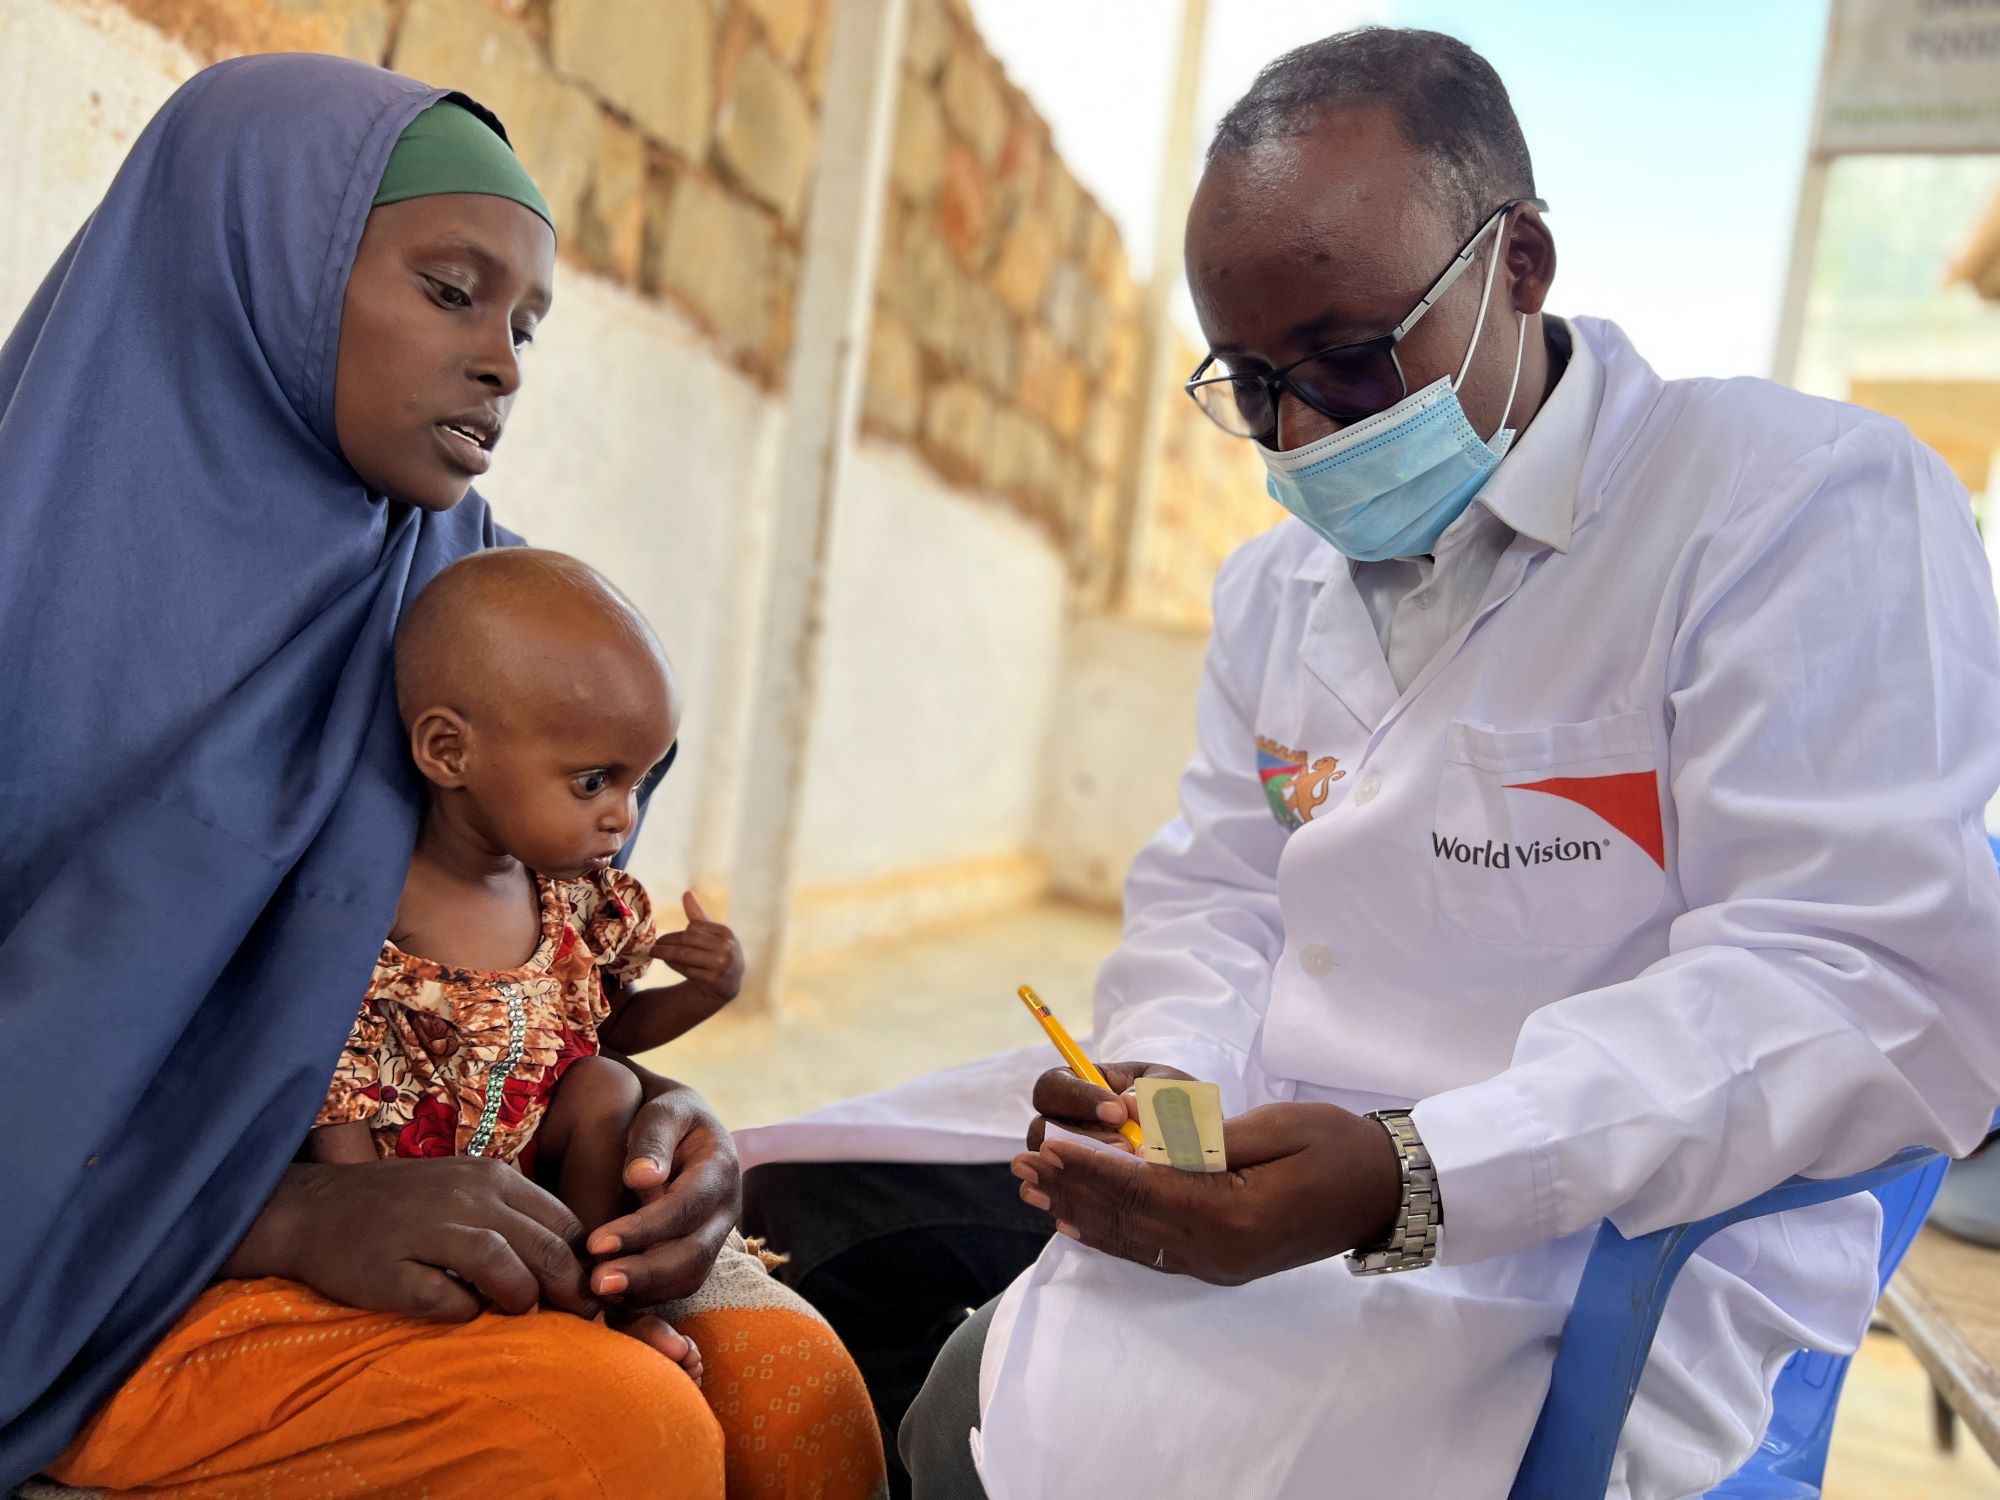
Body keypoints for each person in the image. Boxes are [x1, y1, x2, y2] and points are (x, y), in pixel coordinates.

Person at [746, 28, 2000, 1500]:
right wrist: (1168, 1082)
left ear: (1517, 263)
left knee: (978, 1417)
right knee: (805, 1245)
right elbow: (1220, 895)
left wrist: (1416, 1174)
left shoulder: (1787, 507)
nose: (1299, 432)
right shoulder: (1276, 588)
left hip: (1583, 1248)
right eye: (1250, 382)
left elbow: (1857, 984)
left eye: (1347, 359)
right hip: (1280, 1172)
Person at [0, 55, 880, 1498]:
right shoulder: (27, 592)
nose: (504, 363)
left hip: (426, 1209)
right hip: (91, 1274)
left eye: (525, 324)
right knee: (618, 1432)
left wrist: (656, 1129)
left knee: (796, 1399)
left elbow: (510, 980)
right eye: (452, 291)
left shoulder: (472, 608)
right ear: (257, 270)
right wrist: (280, 1220)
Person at [306, 547, 755, 1384]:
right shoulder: (374, 909)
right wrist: (362, 1209)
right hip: (401, 1207)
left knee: (606, 1086)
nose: (623, 817)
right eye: (594, 782)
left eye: (639, 782)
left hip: (536, 1189)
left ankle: (597, 1293)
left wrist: (705, 993)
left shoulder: (572, 905)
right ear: (449, 751)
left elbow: (604, 1033)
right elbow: (332, 1078)